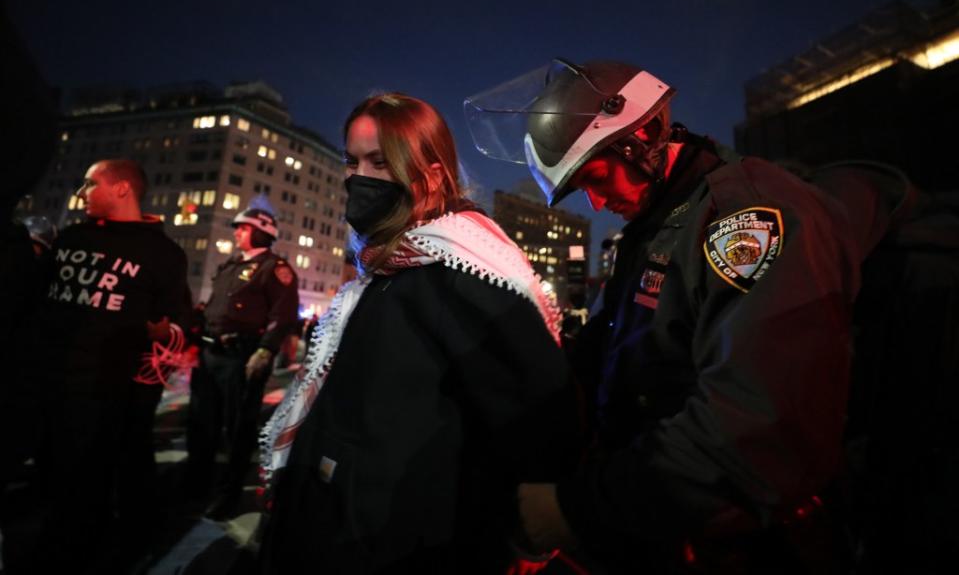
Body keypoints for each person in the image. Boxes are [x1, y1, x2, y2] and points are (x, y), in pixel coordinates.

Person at [465, 58, 883, 573]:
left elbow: (757, 432)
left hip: (741, 548)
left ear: (643, 135)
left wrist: (572, 510)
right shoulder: (655, 228)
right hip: (654, 530)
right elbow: (609, 358)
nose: (596, 204)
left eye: (596, 177)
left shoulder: (746, 218)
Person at [256, 92, 580, 574]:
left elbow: (539, 415)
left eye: (379, 162)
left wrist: (522, 536)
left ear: (429, 175)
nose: (357, 178)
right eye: (352, 160)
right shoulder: (392, 268)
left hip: (401, 545)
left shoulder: (460, 270)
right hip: (343, 529)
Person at [30, 158, 189, 573]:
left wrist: (164, 335)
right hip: (45, 385)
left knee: (87, 491)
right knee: (49, 480)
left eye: (89, 184)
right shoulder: (69, 238)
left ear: (121, 189)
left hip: (105, 395)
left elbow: (178, 322)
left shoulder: (163, 254)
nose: (81, 194)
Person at [186, 202, 300, 520]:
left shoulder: (274, 268)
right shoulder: (231, 265)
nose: (237, 233)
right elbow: (212, 309)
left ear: (261, 232)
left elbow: (284, 314)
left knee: (237, 430)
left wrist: (265, 351)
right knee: (201, 423)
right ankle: (197, 486)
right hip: (211, 355)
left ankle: (227, 494)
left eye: (244, 227)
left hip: (241, 358)